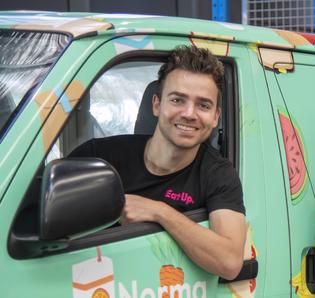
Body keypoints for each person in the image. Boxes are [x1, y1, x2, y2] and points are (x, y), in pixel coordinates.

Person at [70, 45, 246, 279]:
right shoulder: (98, 157)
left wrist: (159, 211)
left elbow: (230, 262)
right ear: (156, 105)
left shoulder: (218, 174)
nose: (189, 113)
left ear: (215, 117)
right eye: (177, 100)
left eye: (203, 105)